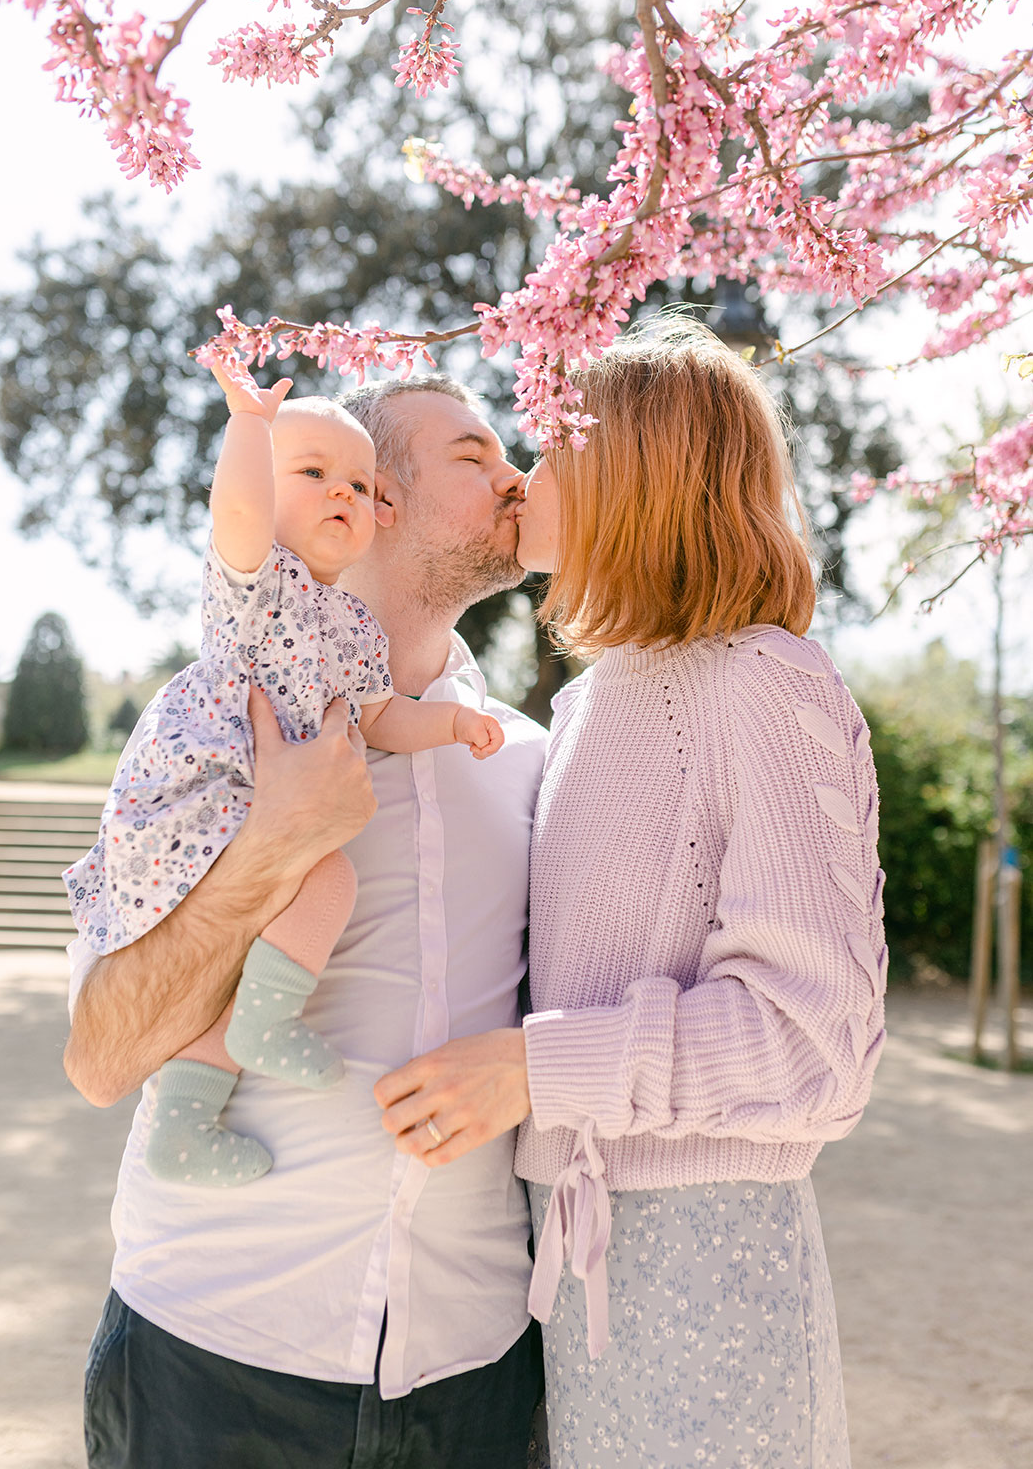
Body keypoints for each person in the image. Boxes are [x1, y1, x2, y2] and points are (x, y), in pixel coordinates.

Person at [375, 321, 888, 1469]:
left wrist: (528, 1067)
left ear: (635, 472)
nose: (522, 471)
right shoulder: (592, 701)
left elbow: (818, 1044)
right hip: (563, 1287)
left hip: (710, 1267)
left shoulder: (766, 679)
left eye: (553, 447)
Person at [63, 375, 547, 1469]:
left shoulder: (527, 760)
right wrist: (277, 837)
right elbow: (99, 1058)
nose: (514, 474)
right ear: (378, 498)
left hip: (471, 1371)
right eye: (473, 454)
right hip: (211, 1359)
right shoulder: (209, 740)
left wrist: (531, 1064)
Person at [65, 362, 503, 1188]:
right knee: (292, 894)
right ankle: (262, 1026)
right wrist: (245, 424)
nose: (341, 493)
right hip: (200, 798)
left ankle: (192, 1115)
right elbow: (235, 505)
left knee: (297, 909)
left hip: (266, 805)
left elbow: (379, 718)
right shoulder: (257, 581)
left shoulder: (353, 634)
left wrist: (451, 723)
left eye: (358, 482)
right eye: (312, 474)